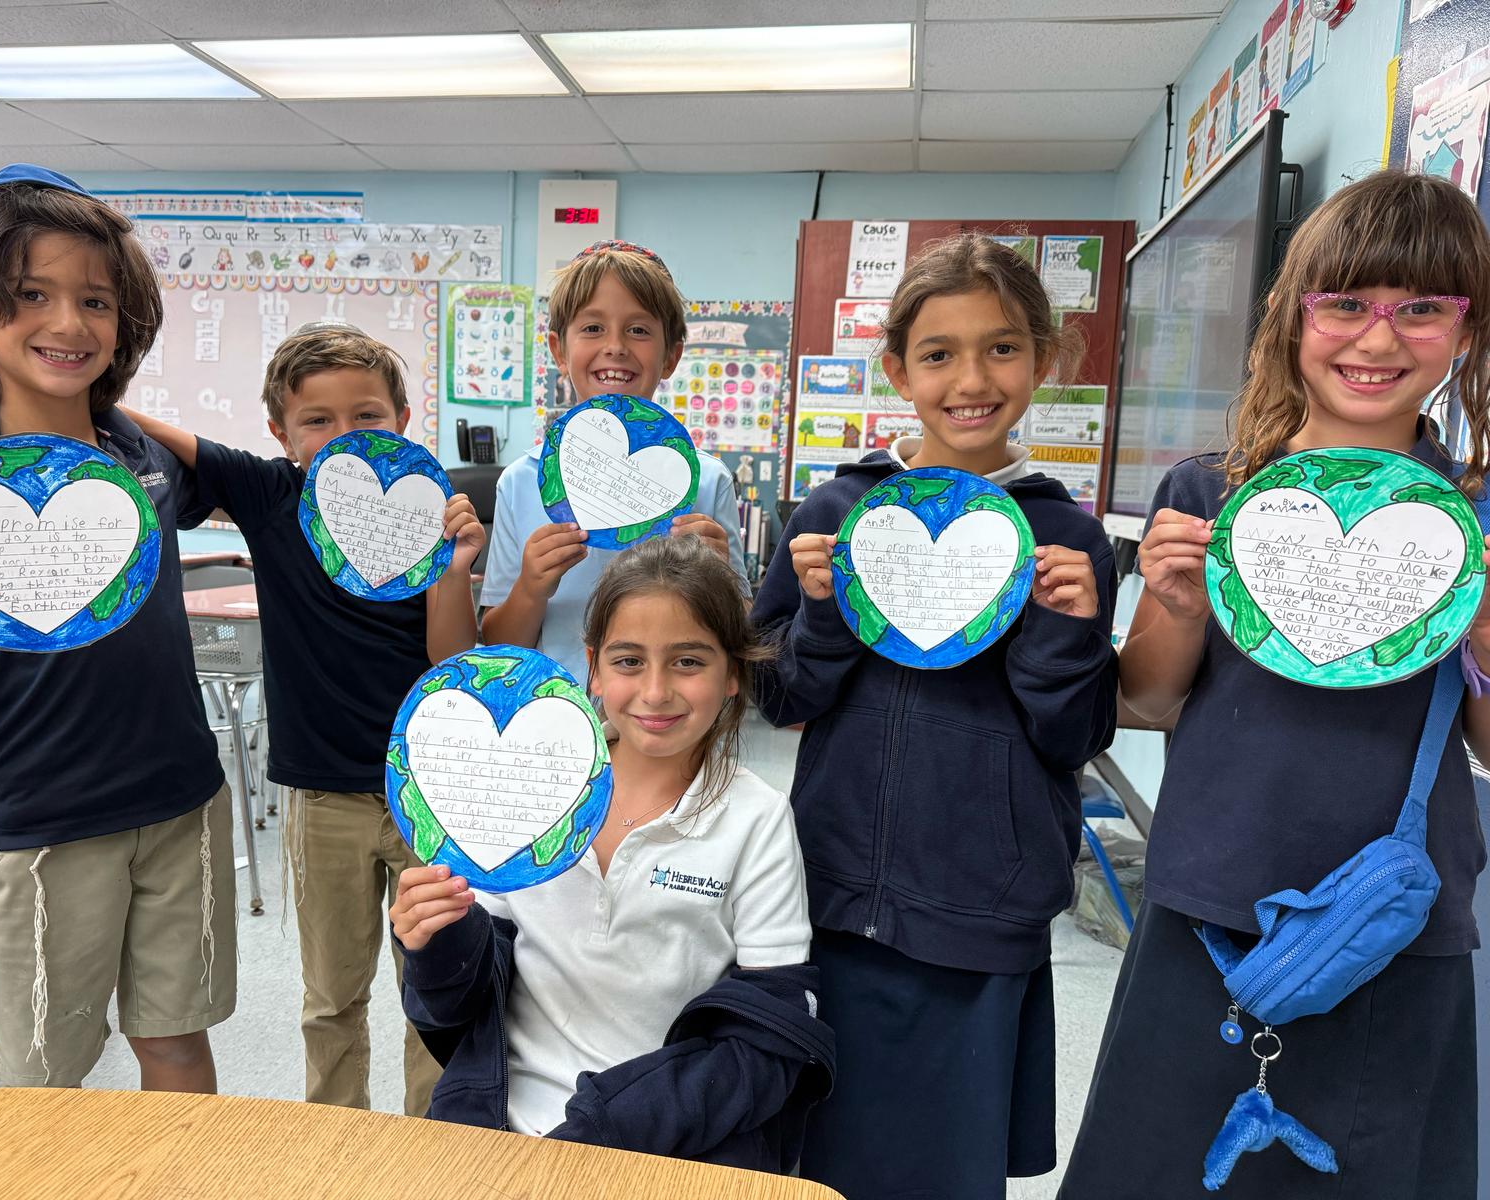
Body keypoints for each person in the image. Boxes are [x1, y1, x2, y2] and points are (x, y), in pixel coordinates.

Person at [1061, 170, 1490, 1198]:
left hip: (1392, 921)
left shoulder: (1472, 518)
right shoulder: (1211, 492)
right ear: (1291, 317)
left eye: (1420, 310)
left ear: (1467, 333)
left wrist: (1480, 626)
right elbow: (1147, 702)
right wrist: (1171, 598)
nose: (1377, 342)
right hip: (1210, 901)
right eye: (1343, 304)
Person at [0, 319, 484, 1116]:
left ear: (403, 418)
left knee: (434, 986)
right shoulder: (270, 493)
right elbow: (155, 433)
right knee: (331, 997)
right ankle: (336, 1142)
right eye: (317, 421)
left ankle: (441, 1138)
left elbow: (450, 661)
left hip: (430, 794)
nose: (343, 436)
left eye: (367, 416)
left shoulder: (429, 513)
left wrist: (454, 569)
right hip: (321, 795)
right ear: (280, 434)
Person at [751, 232, 1119, 1199]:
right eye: (939, 353)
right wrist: (825, 614)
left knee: (948, 1168)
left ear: (1044, 358)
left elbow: (1074, 738)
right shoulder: (834, 510)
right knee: (811, 1156)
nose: (972, 379)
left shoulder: (1069, 538)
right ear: (898, 371)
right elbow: (777, 696)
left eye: (1002, 348)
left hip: (981, 908)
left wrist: (1067, 632)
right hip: (831, 899)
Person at [0, 164, 233, 1089]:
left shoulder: (143, 456)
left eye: (97, 301)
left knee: (176, 1039)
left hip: (181, 801)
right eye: (31, 296)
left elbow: (250, 482)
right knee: (46, 1078)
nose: (70, 324)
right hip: (42, 823)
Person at [391, 535, 832, 1171]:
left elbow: (769, 1043)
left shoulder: (755, 818)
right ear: (593, 668)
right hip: (498, 1130)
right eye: (629, 662)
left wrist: (605, 1131)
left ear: (734, 674)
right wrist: (437, 943)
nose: (655, 693)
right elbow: (463, 999)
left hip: (669, 1146)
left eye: (688, 662)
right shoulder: (530, 788)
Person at [478, 240, 747, 684]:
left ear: (671, 357)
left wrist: (718, 579)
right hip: (554, 716)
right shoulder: (521, 482)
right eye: (592, 329)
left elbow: (739, 633)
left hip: (667, 722)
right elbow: (501, 648)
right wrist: (530, 587)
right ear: (559, 351)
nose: (616, 347)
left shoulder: (704, 482)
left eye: (639, 330)